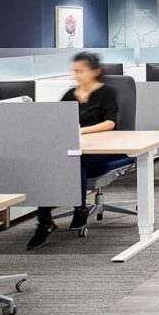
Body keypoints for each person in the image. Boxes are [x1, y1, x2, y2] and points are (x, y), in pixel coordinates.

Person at [28, 52, 127, 250]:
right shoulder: (69, 94)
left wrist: (80, 130)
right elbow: (57, 120)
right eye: (75, 71)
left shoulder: (107, 92)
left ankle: (80, 209)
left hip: (106, 149)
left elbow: (110, 123)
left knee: (75, 159)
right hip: (76, 147)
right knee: (47, 163)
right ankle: (45, 222)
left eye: (81, 70)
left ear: (95, 71)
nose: (77, 74)